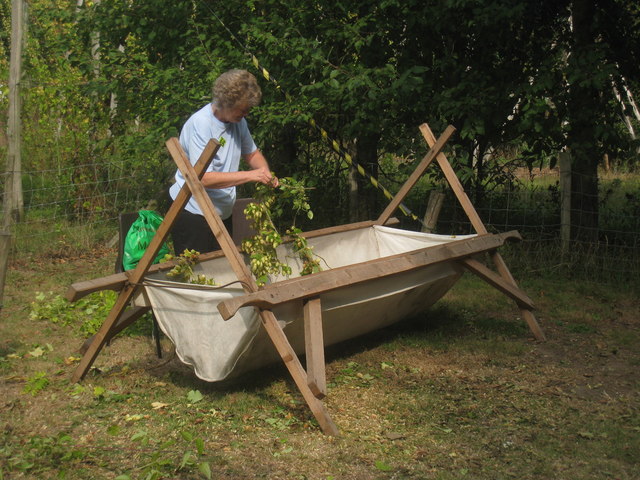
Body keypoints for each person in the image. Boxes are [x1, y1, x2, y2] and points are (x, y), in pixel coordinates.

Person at [168, 69, 278, 255]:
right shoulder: (201, 124)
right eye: (243, 109)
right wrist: (251, 175)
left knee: (221, 270)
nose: (246, 114)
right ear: (226, 102)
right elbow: (203, 178)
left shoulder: (238, 122)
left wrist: (265, 173)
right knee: (196, 276)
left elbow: (252, 154)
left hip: (221, 211)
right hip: (194, 211)